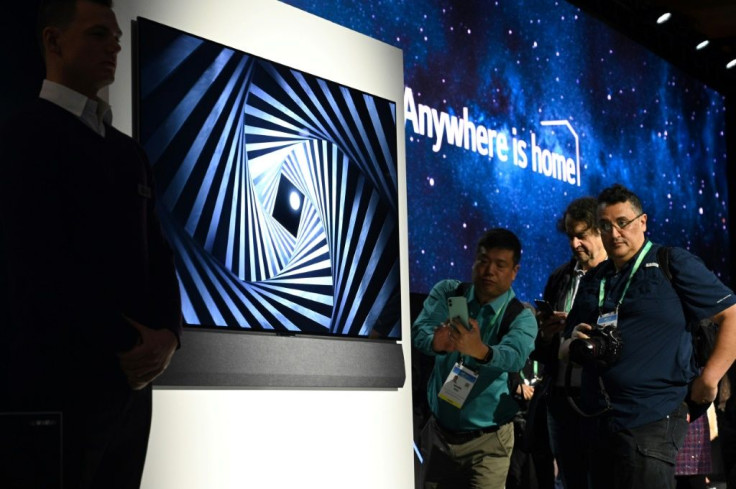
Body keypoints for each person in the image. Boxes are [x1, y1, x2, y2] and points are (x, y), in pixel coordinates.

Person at [0, 1, 183, 488]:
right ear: (53, 43)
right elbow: (36, 271)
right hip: (58, 390)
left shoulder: (129, 153)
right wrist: (132, 343)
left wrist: (169, 336)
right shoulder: (24, 138)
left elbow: (160, 255)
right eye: (98, 34)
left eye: (117, 38)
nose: (115, 47)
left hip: (129, 396)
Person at [560, 183, 736, 489]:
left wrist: (710, 379)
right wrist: (571, 341)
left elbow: (731, 314)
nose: (614, 233)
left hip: (651, 419)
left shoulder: (671, 262)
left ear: (642, 222)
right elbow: (564, 344)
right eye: (605, 225)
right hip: (598, 422)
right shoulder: (594, 279)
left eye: (622, 223)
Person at [412, 228, 537, 488]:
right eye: (483, 261)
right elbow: (419, 331)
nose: (489, 271)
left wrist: (480, 350)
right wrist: (436, 342)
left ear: (514, 271)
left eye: (500, 265)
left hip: (488, 444)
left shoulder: (520, 316)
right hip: (438, 437)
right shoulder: (449, 293)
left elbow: (514, 357)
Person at [531, 196, 607, 489]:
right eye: (570, 236)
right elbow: (542, 347)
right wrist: (549, 333)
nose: (575, 244)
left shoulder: (618, 276)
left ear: (600, 231)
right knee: (567, 479)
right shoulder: (559, 277)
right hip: (560, 398)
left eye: (582, 235)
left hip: (598, 399)